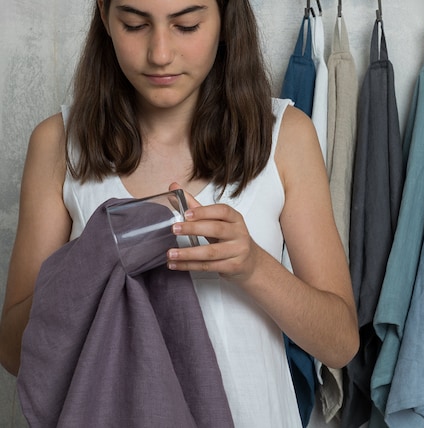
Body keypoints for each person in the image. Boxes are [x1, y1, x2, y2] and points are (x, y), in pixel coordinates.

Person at [0, 0, 359, 425]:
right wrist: (97, 252)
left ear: (226, 19)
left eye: (186, 25)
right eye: (135, 25)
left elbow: (340, 344)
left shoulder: (285, 137)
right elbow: (13, 351)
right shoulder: (58, 145)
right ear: (104, 15)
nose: (160, 53)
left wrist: (253, 267)